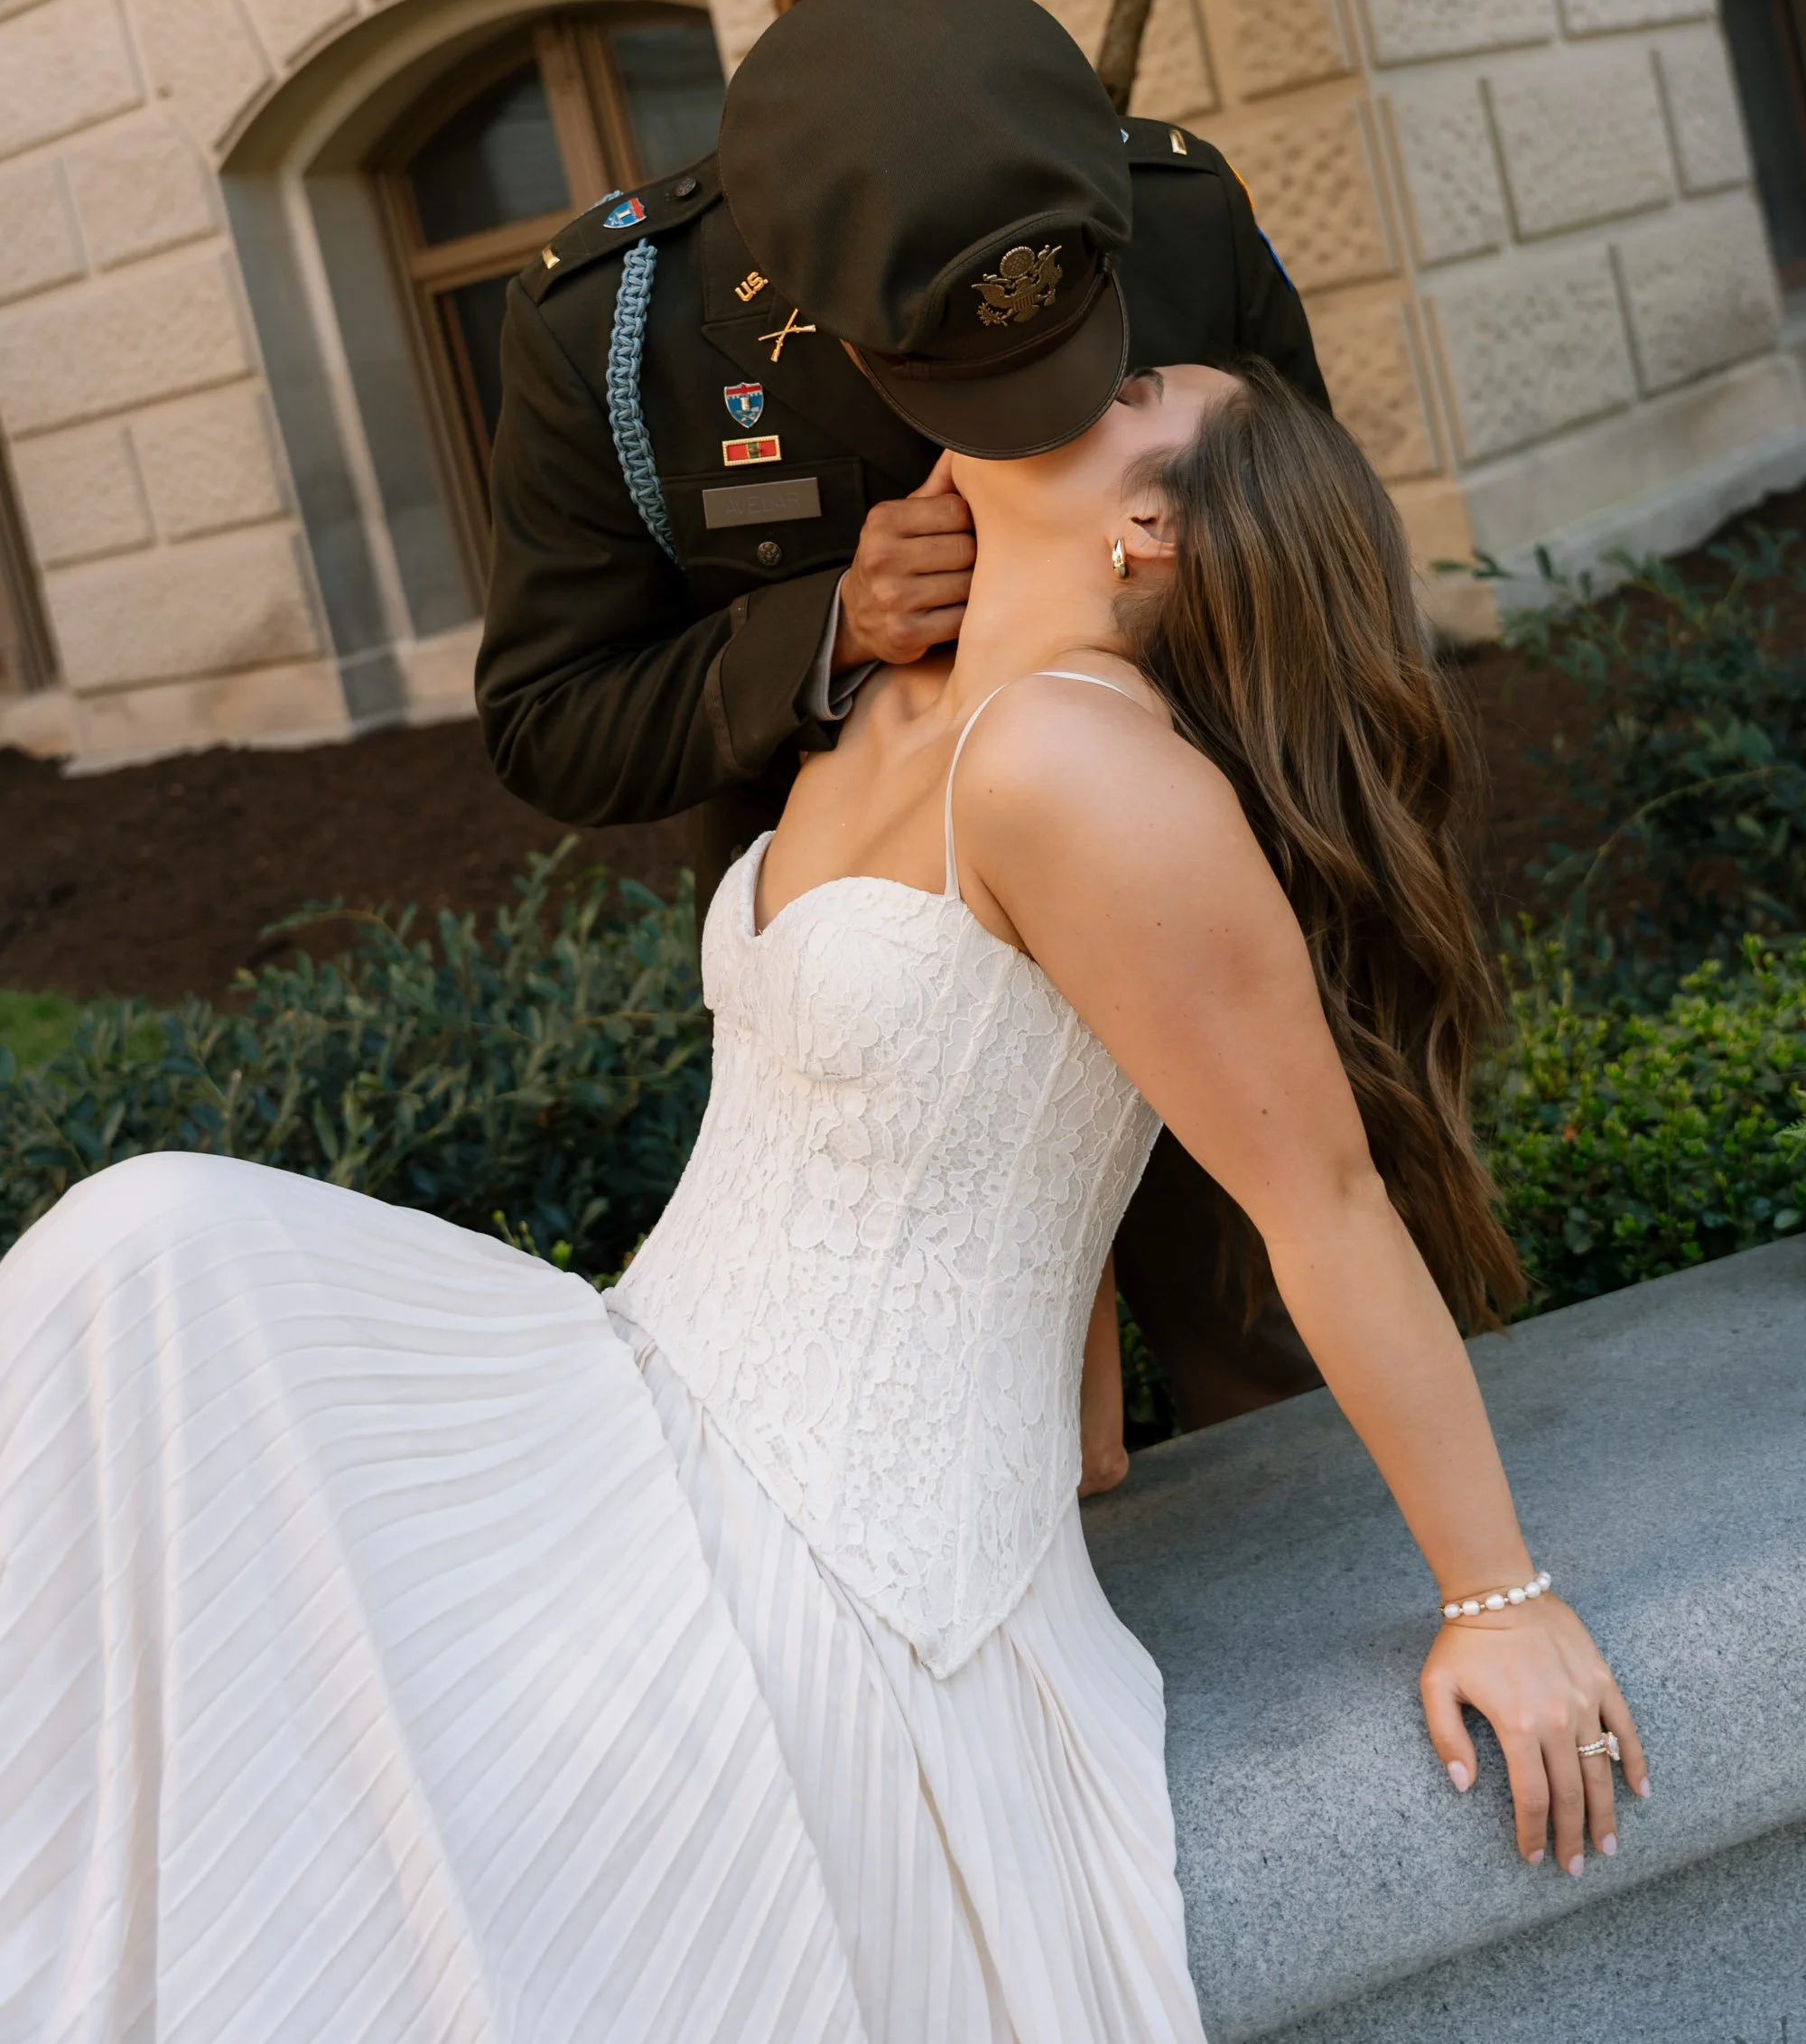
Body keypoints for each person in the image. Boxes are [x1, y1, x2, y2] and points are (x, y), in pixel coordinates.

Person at [0, 356, 1648, 2044]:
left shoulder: (1091, 771)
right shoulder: (893, 708)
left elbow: (1328, 1201)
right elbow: (995, 1079)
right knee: (152, 1277)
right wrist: (1082, 1403)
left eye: (1132, 380)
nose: (1070, 356)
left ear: (1151, 524)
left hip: (828, 1547)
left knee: (158, 1253)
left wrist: (1497, 1601)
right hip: (643, 1398)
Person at [479, 0, 1329, 1440]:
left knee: (1279, 1375)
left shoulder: (1179, 218)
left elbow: (1321, 567)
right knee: (964, 1448)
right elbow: (553, 719)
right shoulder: (615, 332)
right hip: (903, 1036)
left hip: (1185, 908)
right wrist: (825, 627)